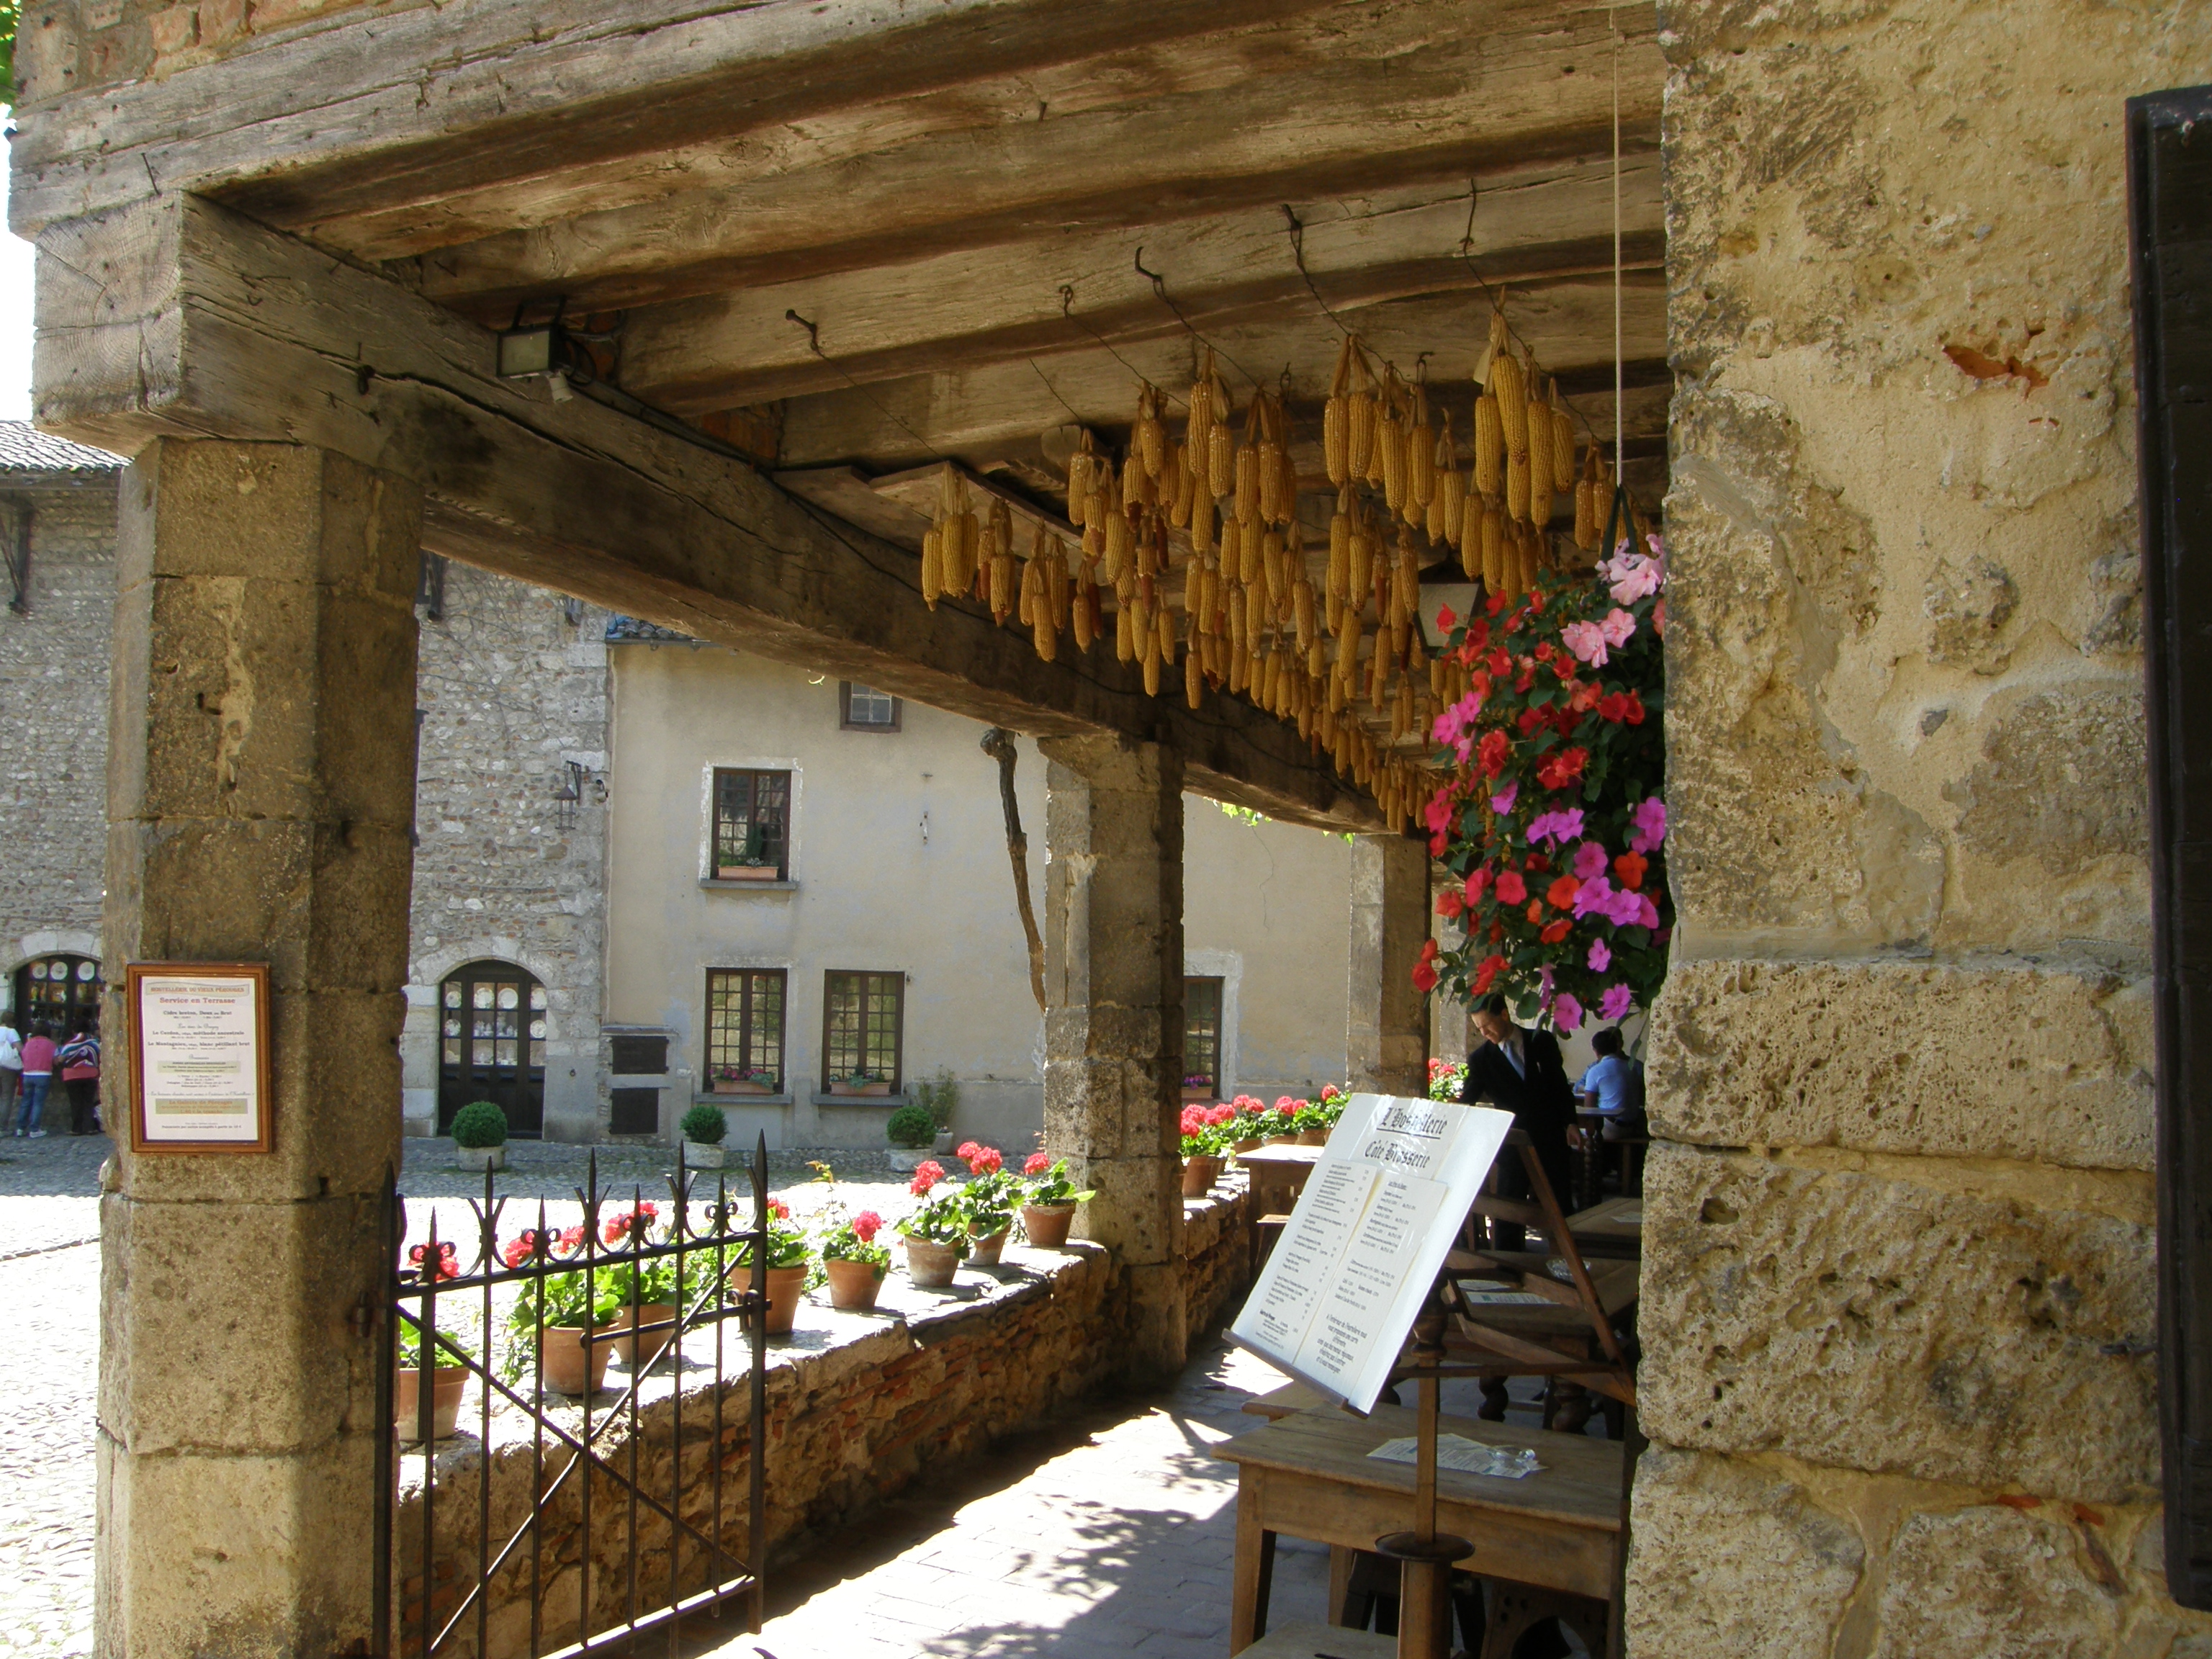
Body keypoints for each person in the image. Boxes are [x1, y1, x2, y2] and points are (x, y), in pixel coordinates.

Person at [1457, 994, 1579, 1236]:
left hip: (1550, 1137)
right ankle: (1507, 1258)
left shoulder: (1541, 1041)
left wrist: (1571, 1123)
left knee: (1560, 1206)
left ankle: (1566, 1255)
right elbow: (1468, 1098)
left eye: (1488, 1025)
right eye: (1479, 1028)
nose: (1484, 1033)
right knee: (1509, 1211)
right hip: (1513, 1144)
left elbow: (1559, 1086)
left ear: (1504, 1015)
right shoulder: (1481, 1059)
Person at [1576, 1027, 1647, 1141]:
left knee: (1571, 1129)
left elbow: (1589, 1109)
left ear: (1596, 1051)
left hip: (1611, 1128)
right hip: (1633, 1127)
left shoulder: (1596, 1070)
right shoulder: (1631, 1067)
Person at [58, 1020, 101, 1136]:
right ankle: (90, 1127)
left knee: (75, 1102)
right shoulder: (95, 1042)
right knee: (88, 1102)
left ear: (74, 1030)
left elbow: (61, 1059)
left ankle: (76, 1129)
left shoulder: (70, 1043)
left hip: (71, 1076)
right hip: (91, 1075)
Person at [16, 1022, 56, 1138]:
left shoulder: (28, 1043)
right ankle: (34, 1129)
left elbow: (23, 1055)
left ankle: (20, 1128)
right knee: (38, 1103)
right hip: (43, 1074)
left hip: (28, 1074)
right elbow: (56, 1060)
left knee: (26, 1102)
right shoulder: (51, 1044)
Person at [0, 1017, 19, 1135]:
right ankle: (2, 1127)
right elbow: (20, 1048)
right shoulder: (11, 1032)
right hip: (7, 1067)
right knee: (6, 1097)